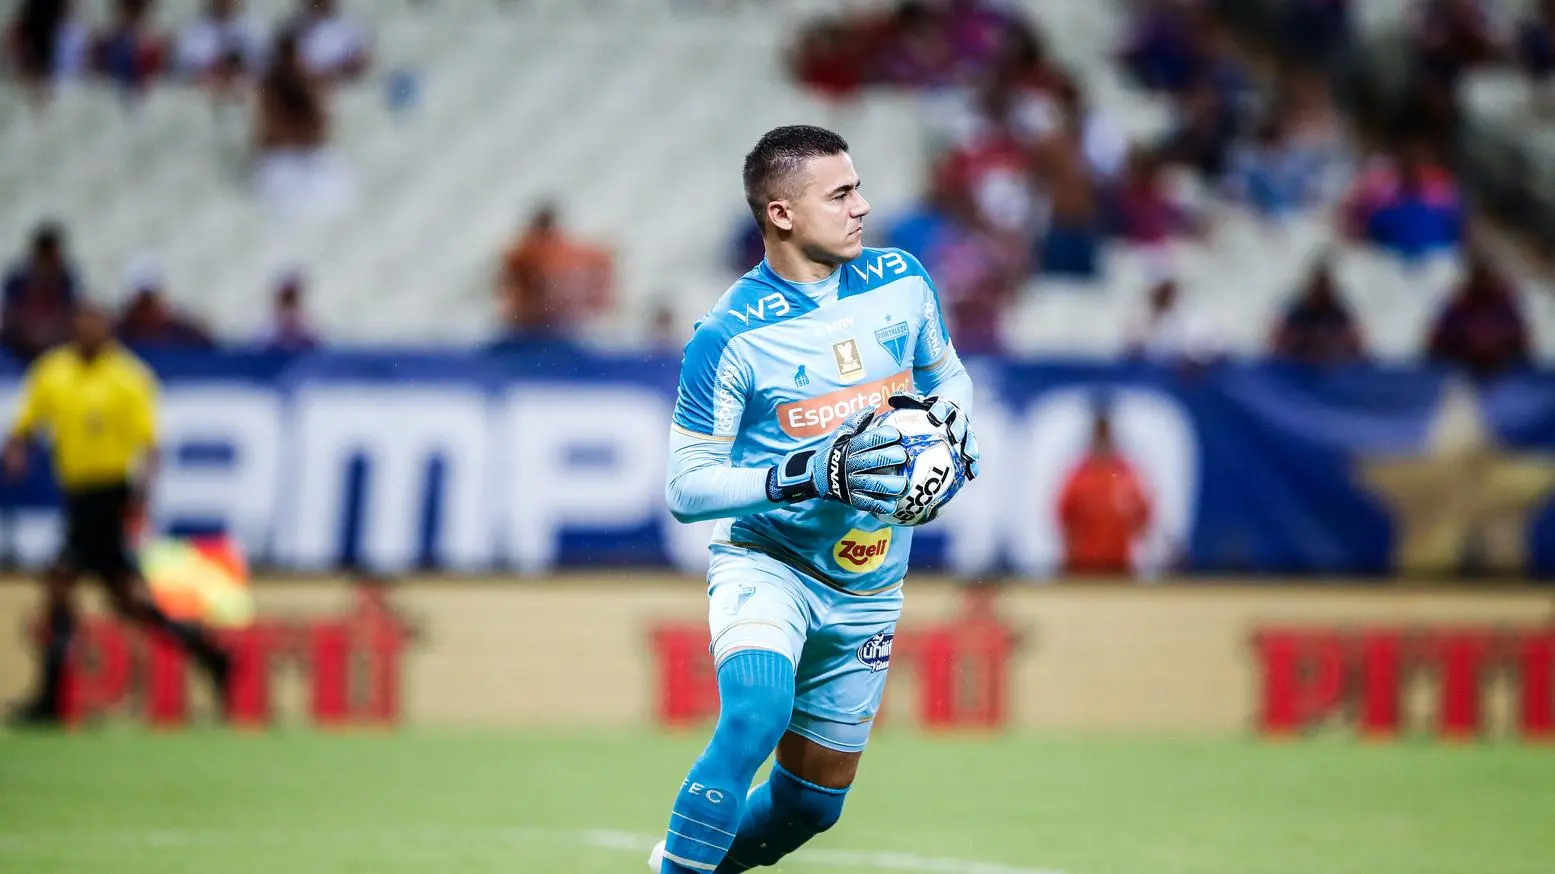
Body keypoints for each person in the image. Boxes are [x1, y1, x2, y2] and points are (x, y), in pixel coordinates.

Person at [648, 125, 981, 873]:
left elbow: (948, 377)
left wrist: (949, 433)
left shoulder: (902, 279)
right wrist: (809, 473)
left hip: (870, 583)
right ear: (782, 213)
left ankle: (692, 861)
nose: (862, 206)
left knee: (810, 806)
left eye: (858, 188)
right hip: (770, 563)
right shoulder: (728, 336)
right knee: (755, 715)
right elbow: (685, 487)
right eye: (840, 194)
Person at [3, 304, 231, 726]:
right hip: (76, 495)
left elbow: (150, 446)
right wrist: (16, 449)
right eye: (81, 322)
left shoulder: (128, 377)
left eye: (95, 323)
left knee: (62, 585)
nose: (88, 329)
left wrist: (140, 499)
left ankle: (49, 699)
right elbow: (26, 424)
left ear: (107, 328)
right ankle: (211, 655)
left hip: (110, 495)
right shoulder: (53, 371)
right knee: (125, 601)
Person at [1057, 408, 1152, 576]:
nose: (1102, 440)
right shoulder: (1079, 475)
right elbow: (1064, 518)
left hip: (1120, 565)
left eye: (1106, 435)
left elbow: (1144, 515)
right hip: (1083, 566)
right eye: (1099, 435)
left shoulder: (1126, 474)